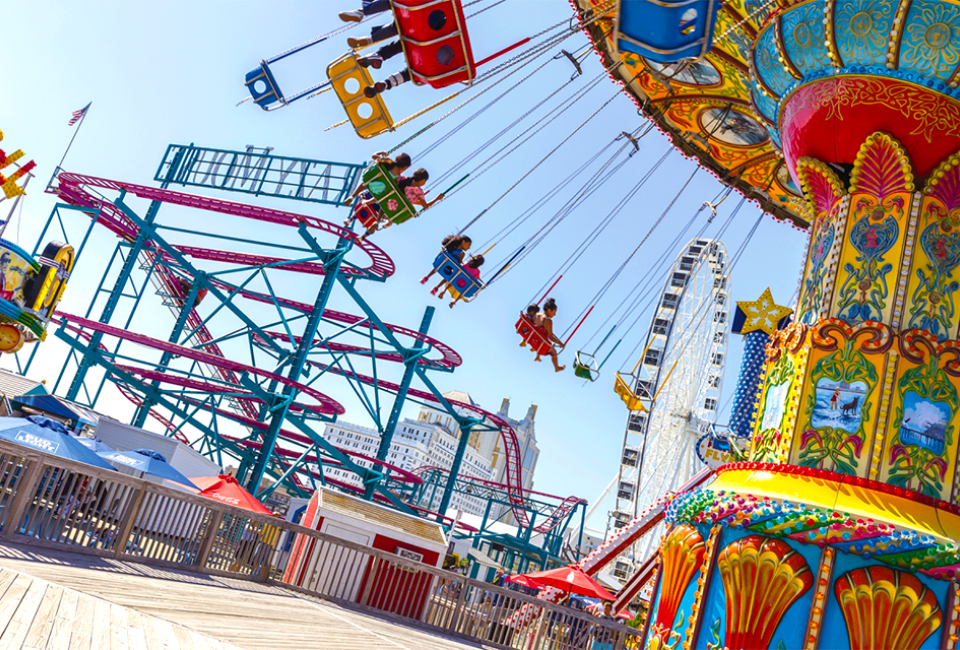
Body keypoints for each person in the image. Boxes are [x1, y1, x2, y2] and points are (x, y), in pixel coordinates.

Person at [534, 298, 565, 372]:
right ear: (549, 310)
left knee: (540, 335)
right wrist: (560, 343)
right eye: (554, 312)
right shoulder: (548, 321)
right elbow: (551, 337)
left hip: (533, 339)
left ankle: (537, 356)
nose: (555, 314)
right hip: (540, 343)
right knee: (553, 351)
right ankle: (556, 367)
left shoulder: (536, 315)